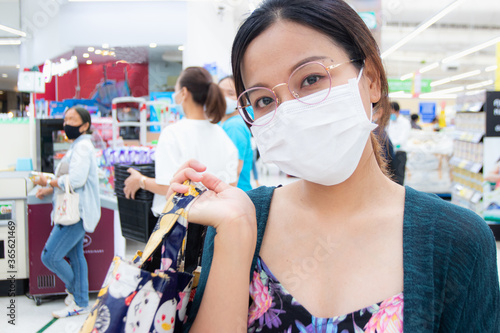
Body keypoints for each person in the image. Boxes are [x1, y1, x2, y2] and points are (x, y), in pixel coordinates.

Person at [171, 1, 499, 332]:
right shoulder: (243, 223)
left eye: (311, 78)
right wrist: (234, 232)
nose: (290, 112)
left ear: (371, 79)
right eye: (265, 100)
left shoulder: (459, 240)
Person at [123, 66, 238, 216]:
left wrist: (140, 181)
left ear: (184, 93)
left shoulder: (173, 133)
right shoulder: (224, 137)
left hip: (180, 224)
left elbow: (168, 187)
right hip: (214, 222)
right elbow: (230, 186)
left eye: (176, 90)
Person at [33, 107, 101, 318]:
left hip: (76, 212)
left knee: (50, 256)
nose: (66, 123)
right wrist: (50, 187)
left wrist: (49, 181)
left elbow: (77, 180)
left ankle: (76, 292)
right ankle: (80, 302)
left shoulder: (82, 148)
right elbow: (69, 177)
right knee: (75, 255)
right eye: (65, 119)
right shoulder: (78, 146)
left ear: (85, 125)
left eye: (72, 119)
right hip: (73, 210)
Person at [219, 75, 254, 192]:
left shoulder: (234, 126)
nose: (224, 98)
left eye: (230, 94)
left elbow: (234, 169)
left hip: (234, 193)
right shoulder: (224, 123)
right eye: (219, 93)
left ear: (242, 99)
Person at [387, 101, 409, 185]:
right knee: (390, 177)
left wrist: (392, 144)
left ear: (397, 111)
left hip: (400, 153)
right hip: (390, 153)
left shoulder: (404, 122)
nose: (390, 114)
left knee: (399, 178)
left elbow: (402, 139)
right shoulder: (389, 122)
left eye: (392, 112)